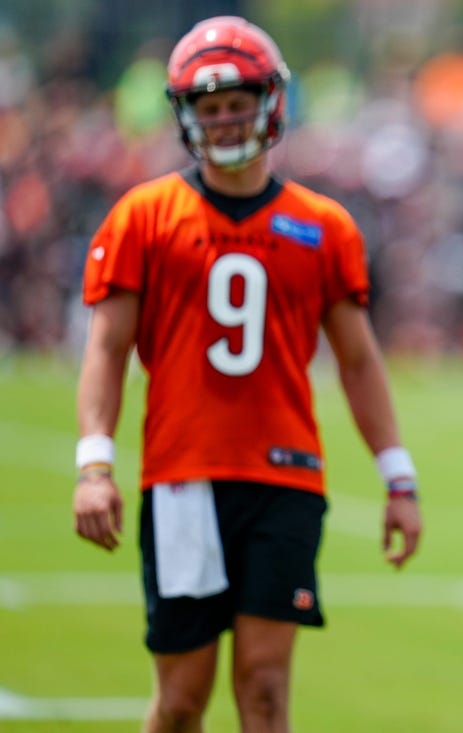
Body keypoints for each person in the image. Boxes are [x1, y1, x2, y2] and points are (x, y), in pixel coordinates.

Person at [71, 16, 423, 733]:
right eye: (210, 108)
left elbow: (357, 359)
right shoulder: (145, 215)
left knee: (264, 687)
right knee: (180, 699)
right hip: (183, 475)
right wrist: (94, 464)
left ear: (271, 104)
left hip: (285, 477)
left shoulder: (323, 224)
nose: (226, 121)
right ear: (186, 115)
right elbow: (106, 349)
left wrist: (398, 476)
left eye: (238, 104)